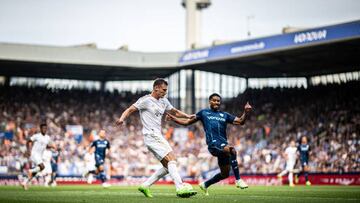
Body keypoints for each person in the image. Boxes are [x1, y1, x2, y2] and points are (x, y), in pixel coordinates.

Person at [116, 78, 197, 198]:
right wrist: (122, 119)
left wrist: (188, 116)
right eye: (163, 90)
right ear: (156, 88)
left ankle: (145, 185)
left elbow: (174, 111)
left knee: (167, 166)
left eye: (166, 90)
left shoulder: (164, 101)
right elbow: (130, 109)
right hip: (151, 135)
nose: (165, 92)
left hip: (156, 135)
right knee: (172, 159)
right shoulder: (146, 100)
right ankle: (180, 188)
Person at [166, 93, 251, 196]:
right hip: (213, 145)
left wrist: (246, 112)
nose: (216, 102)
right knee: (232, 150)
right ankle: (238, 180)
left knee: (225, 174)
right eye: (214, 100)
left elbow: (241, 121)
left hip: (223, 145)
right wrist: (173, 118)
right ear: (210, 101)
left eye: (218, 101)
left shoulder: (224, 115)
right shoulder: (204, 113)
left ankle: (205, 184)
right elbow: (187, 122)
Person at [21, 123, 56, 190]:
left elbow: (46, 146)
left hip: (40, 156)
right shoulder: (37, 136)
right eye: (43, 128)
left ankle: (25, 182)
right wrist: (28, 150)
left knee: (35, 172)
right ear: (40, 129)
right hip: (34, 154)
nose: (44, 130)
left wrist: (51, 146)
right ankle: (30, 170)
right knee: (42, 167)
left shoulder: (47, 138)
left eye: (45, 128)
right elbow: (28, 141)